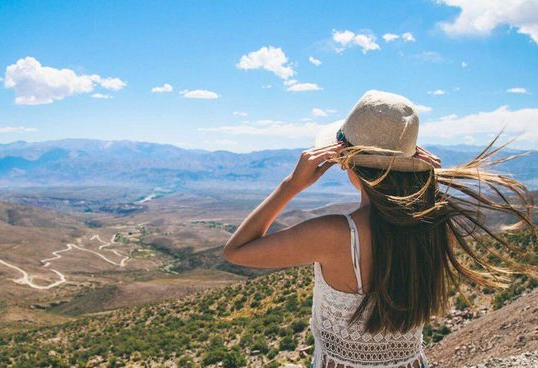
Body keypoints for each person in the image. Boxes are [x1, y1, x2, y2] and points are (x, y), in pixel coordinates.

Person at [222, 90, 537, 368]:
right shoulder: (433, 226)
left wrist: (291, 185)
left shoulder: (335, 235)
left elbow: (236, 251)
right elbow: (422, 206)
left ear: (351, 166)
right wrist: (428, 180)